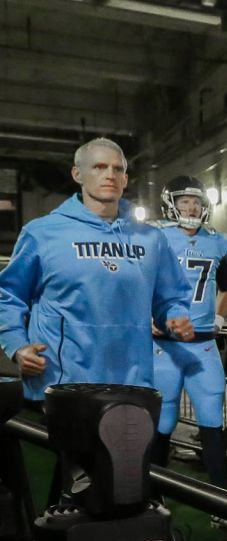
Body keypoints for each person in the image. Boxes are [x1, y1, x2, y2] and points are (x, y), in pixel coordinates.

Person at [0, 137, 194, 403]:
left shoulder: (151, 239)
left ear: (126, 179)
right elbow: (8, 295)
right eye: (99, 167)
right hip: (61, 384)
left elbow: (170, 298)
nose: (110, 175)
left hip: (132, 384)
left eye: (118, 169)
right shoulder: (42, 233)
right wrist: (16, 345)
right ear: (77, 174)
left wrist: (175, 317)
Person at [149, 175, 227, 491]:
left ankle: (222, 502)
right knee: (162, 422)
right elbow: (135, 282)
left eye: (196, 202)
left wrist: (218, 315)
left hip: (203, 345)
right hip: (164, 346)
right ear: (170, 205)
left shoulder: (216, 241)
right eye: (184, 201)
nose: (191, 207)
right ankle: (152, 497)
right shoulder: (156, 237)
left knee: (212, 421)